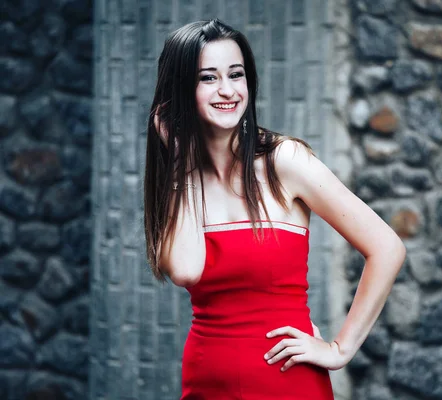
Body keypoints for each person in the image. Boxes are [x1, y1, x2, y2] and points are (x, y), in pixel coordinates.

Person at [143, 19, 406, 399]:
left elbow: (386, 247)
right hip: (207, 382)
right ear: (180, 91)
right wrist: (180, 160)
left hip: (288, 383)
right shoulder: (180, 181)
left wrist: (339, 349)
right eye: (208, 78)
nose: (227, 90)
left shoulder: (284, 160)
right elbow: (185, 270)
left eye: (236, 75)